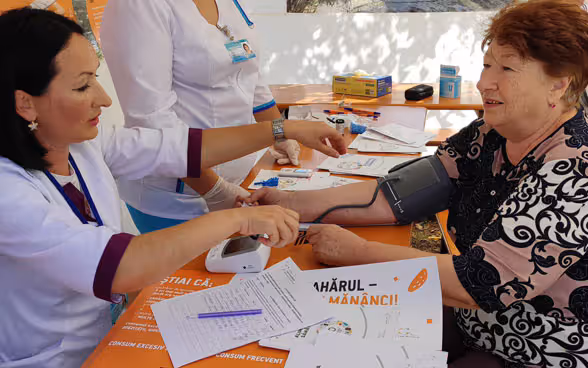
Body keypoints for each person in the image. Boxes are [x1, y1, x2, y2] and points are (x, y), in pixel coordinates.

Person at [244, 1, 588, 367]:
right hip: (471, 323)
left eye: (507, 68)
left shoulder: (573, 170)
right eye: (487, 64)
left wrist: (357, 253)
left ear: (558, 85)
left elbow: (480, 283)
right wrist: (291, 202)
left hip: (536, 351)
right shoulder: (489, 134)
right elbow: (395, 195)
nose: (485, 82)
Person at [0, 8, 346, 367]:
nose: (103, 99)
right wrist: (234, 219)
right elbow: (119, 265)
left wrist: (282, 129)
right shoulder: (8, 192)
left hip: (115, 334)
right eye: (83, 85)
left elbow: (180, 148)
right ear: (24, 103)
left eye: (96, 79)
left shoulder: (83, 143)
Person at [100, 0, 303, 233]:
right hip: (179, 199)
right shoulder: (138, 5)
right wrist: (215, 190)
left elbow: (248, 75)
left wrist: (279, 133)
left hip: (240, 183)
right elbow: (151, 118)